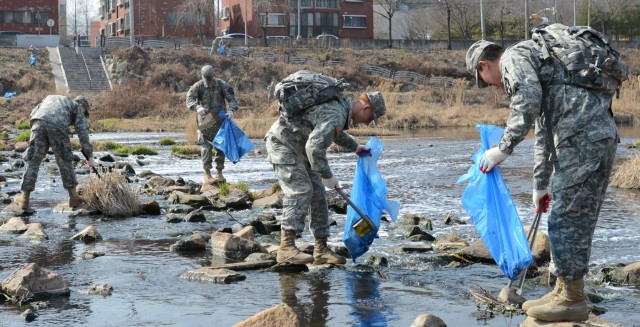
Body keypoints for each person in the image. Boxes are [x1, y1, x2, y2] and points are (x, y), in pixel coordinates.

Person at [466, 35, 619, 321]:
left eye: (485, 79)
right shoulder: (539, 61)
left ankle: (571, 298)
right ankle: (563, 290)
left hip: (580, 140)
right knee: (573, 217)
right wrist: (540, 184)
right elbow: (542, 131)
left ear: (484, 65)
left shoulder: (513, 58)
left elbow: (527, 103)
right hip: (593, 137)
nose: (494, 85)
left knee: (565, 219)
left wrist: (502, 149)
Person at [265, 79, 386, 265]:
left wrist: (355, 147)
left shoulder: (339, 107)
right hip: (283, 144)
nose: (366, 123)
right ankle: (286, 247)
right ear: (366, 107)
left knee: (319, 194)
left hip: (300, 148)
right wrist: (328, 175)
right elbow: (314, 148)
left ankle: (321, 249)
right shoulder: (337, 113)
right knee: (301, 189)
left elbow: (331, 132)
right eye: (370, 119)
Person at [15, 95, 95, 211]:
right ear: (81, 105)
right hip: (57, 126)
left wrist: (39, 131)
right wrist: (90, 156)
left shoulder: (50, 98)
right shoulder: (76, 106)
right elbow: (83, 133)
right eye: (84, 112)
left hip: (38, 123)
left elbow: (33, 114)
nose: (83, 115)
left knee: (33, 160)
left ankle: (24, 198)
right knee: (64, 160)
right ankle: (73, 197)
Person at [186, 65, 238, 184]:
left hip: (220, 120)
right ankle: (207, 173)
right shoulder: (197, 86)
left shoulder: (222, 85)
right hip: (204, 121)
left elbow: (232, 99)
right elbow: (189, 99)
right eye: (206, 78)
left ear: (213, 75)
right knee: (206, 147)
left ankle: (219, 173)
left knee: (221, 146)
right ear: (202, 76)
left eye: (210, 77)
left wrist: (231, 110)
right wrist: (197, 107)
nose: (208, 80)